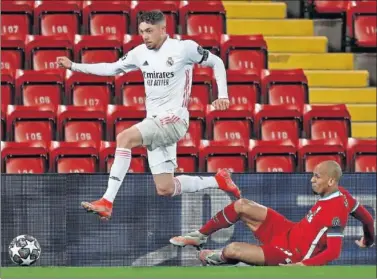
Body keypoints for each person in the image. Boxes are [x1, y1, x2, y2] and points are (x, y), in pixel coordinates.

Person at [56, 10, 241, 220]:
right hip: (155, 123)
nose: (145, 36)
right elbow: (112, 68)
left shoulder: (183, 48)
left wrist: (223, 94)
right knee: (166, 188)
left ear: (163, 29)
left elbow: (216, 61)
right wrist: (74, 66)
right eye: (142, 31)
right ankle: (218, 181)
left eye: (149, 31)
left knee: (124, 138)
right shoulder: (139, 52)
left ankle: (107, 201)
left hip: (175, 119)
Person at [170, 161, 375, 266]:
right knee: (242, 205)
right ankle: (199, 236)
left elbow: (333, 252)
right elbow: (367, 218)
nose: (312, 180)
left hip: (291, 254)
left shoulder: (336, 211)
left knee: (233, 249)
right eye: (313, 175)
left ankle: (217, 258)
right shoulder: (344, 194)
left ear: (331, 181)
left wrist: (302, 266)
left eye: (317, 177)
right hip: (288, 231)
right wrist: (369, 239)